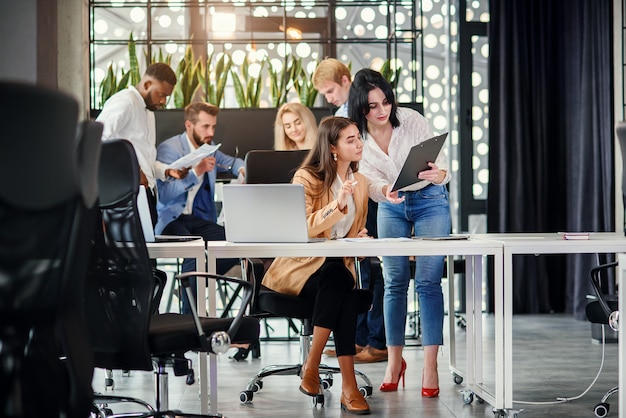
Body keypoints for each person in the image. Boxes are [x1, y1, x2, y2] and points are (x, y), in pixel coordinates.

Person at [348, 68, 451, 397]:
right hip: (392, 205)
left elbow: (442, 164)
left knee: (428, 281)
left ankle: (431, 365)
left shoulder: (411, 119)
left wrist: (439, 174)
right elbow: (369, 182)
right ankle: (394, 361)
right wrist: (383, 192)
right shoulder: (358, 137)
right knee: (393, 282)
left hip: (429, 200)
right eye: (372, 106)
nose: (381, 111)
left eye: (385, 102)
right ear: (360, 109)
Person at [262, 117, 371, 415]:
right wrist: (337, 206)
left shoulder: (360, 182)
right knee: (341, 287)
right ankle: (348, 387)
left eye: (358, 137)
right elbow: (302, 227)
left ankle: (313, 369)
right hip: (300, 272)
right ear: (333, 147)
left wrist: (359, 235)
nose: (359, 143)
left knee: (341, 285)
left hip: (335, 274)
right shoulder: (306, 178)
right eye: (351, 140)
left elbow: (351, 232)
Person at [314, 58, 388, 364]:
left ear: (347, 81)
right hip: (347, 199)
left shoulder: (362, 114)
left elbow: (370, 173)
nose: (329, 98)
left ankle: (375, 341)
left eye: (331, 90)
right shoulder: (340, 118)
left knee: (370, 268)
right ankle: (357, 341)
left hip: (364, 193)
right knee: (354, 269)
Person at [155, 102, 245, 315]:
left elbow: (233, 162)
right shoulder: (170, 149)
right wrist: (196, 172)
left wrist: (242, 168)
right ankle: (192, 322)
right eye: (205, 127)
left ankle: (190, 286)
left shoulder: (209, 147)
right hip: (171, 219)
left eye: (213, 127)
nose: (210, 132)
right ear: (189, 125)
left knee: (235, 244)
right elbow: (165, 195)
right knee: (194, 251)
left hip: (198, 220)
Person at [97, 63, 188, 224]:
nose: (163, 101)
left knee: (146, 247)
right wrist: (133, 170)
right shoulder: (125, 102)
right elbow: (98, 141)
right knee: (130, 247)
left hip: (147, 194)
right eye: (161, 94)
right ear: (147, 84)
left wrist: (167, 171)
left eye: (166, 96)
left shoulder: (148, 110)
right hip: (127, 194)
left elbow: (146, 158)